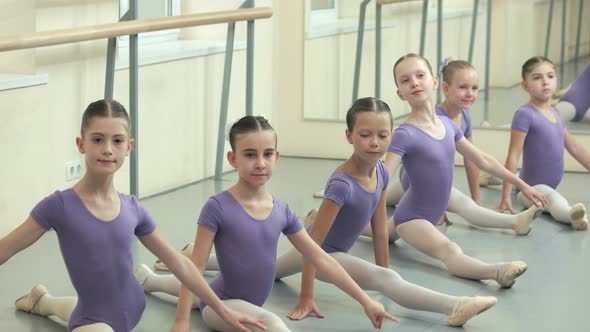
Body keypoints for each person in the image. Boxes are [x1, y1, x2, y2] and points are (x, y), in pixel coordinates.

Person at [0, 100, 264, 332]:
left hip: (133, 308)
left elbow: (179, 263)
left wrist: (222, 309)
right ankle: (43, 301)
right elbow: (5, 249)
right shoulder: (59, 206)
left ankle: (43, 301)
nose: (107, 149)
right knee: (93, 323)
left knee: (93, 317)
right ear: (81, 144)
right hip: (93, 320)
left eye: (117, 141)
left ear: (129, 146)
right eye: (97, 139)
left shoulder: (132, 208)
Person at [136, 115, 398, 332]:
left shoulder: (281, 210)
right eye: (250, 154)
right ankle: (156, 285)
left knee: (199, 293)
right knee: (273, 324)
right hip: (222, 304)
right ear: (232, 159)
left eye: (267, 154)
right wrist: (181, 323)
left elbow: (323, 259)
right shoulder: (217, 207)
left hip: (225, 294)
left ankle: (148, 280)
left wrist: (365, 301)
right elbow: (196, 268)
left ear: (277, 157)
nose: (260, 163)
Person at [274, 98, 497, 327]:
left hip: (323, 252)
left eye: (383, 136)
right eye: (365, 135)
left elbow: (380, 230)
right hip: (320, 254)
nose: (374, 143)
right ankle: (456, 306)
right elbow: (312, 245)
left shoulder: (381, 171)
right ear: (349, 136)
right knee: (273, 271)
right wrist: (306, 297)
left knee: (273, 272)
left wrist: (384, 273)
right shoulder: (342, 184)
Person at [381, 54, 547, 287]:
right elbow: (382, 178)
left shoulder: (447, 124)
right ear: (400, 92)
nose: (415, 83)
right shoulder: (404, 134)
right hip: (412, 218)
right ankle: (497, 272)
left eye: (420, 75)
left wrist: (521, 184)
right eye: (406, 80)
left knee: (381, 234)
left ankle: (326, 222)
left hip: (428, 209)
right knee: (449, 249)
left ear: (435, 82)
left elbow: (481, 160)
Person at [497, 56, 589, 230]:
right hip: (530, 190)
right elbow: (513, 156)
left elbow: (575, 148)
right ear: (525, 86)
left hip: (546, 184)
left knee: (549, 193)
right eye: (537, 78)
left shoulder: (555, 113)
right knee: (551, 198)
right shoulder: (525, 114)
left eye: (550, 76)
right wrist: (505, 197)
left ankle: (490, 178)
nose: (545, 82)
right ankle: (572, 216)